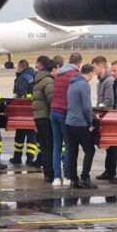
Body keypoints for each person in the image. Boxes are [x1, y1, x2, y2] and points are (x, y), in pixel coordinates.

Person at [50, 52, 82, 185]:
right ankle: (68, 176)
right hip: (64, 112)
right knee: (69, 145)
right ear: (79, 63)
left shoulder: (59, 74)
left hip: (53, 111)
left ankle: (57, 177)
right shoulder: (75, 75)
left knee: (56, 146)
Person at [65, 63, 98, 189]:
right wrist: (90, 122)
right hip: (80, 123)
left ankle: (73, 179)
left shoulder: (72, 83)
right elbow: (86, 107)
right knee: (90, 150)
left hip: (69, 122)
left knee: (72, 151)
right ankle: (85, 177)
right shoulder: (84, 85)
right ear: (90, 73)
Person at [32, 56, 56, 182]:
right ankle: (50, 173)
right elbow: (52, 98)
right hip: (46, 117)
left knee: (44, 146)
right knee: (49, 146)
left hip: (38, 117)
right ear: (52, 70)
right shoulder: (48, 80)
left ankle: (47, 173)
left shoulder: (38, 79)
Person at [11, 60, 38, 165]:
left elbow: (20, 95)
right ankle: (30, 158)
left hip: (23, 110)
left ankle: (17, 157)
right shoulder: (33, 76)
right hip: (33, 110)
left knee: (20, 136)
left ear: (20, 67)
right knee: (32, 136)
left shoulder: (23, 78)